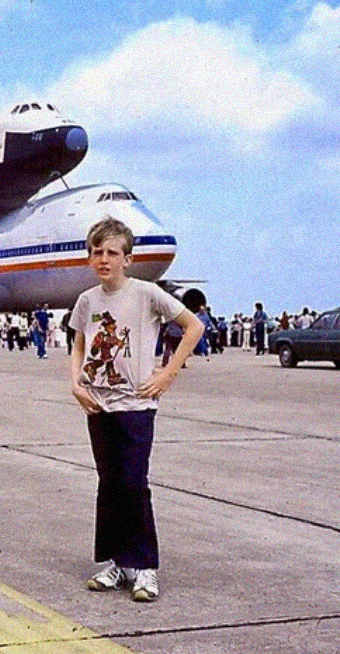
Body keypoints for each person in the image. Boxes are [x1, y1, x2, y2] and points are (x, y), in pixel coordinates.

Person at [69, 217, 203, 603]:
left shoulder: (147, 294)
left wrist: (167, 373)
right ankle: (117, 563)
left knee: (133, 484)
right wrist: (75, 383)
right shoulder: (87, 300)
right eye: (97, 252)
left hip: (136, 405)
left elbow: (192, 327)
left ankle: (145, 567)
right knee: (108, 485)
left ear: (128, 258)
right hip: (98, 404)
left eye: (112, 252)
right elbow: (79, 344)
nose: (104, 259)